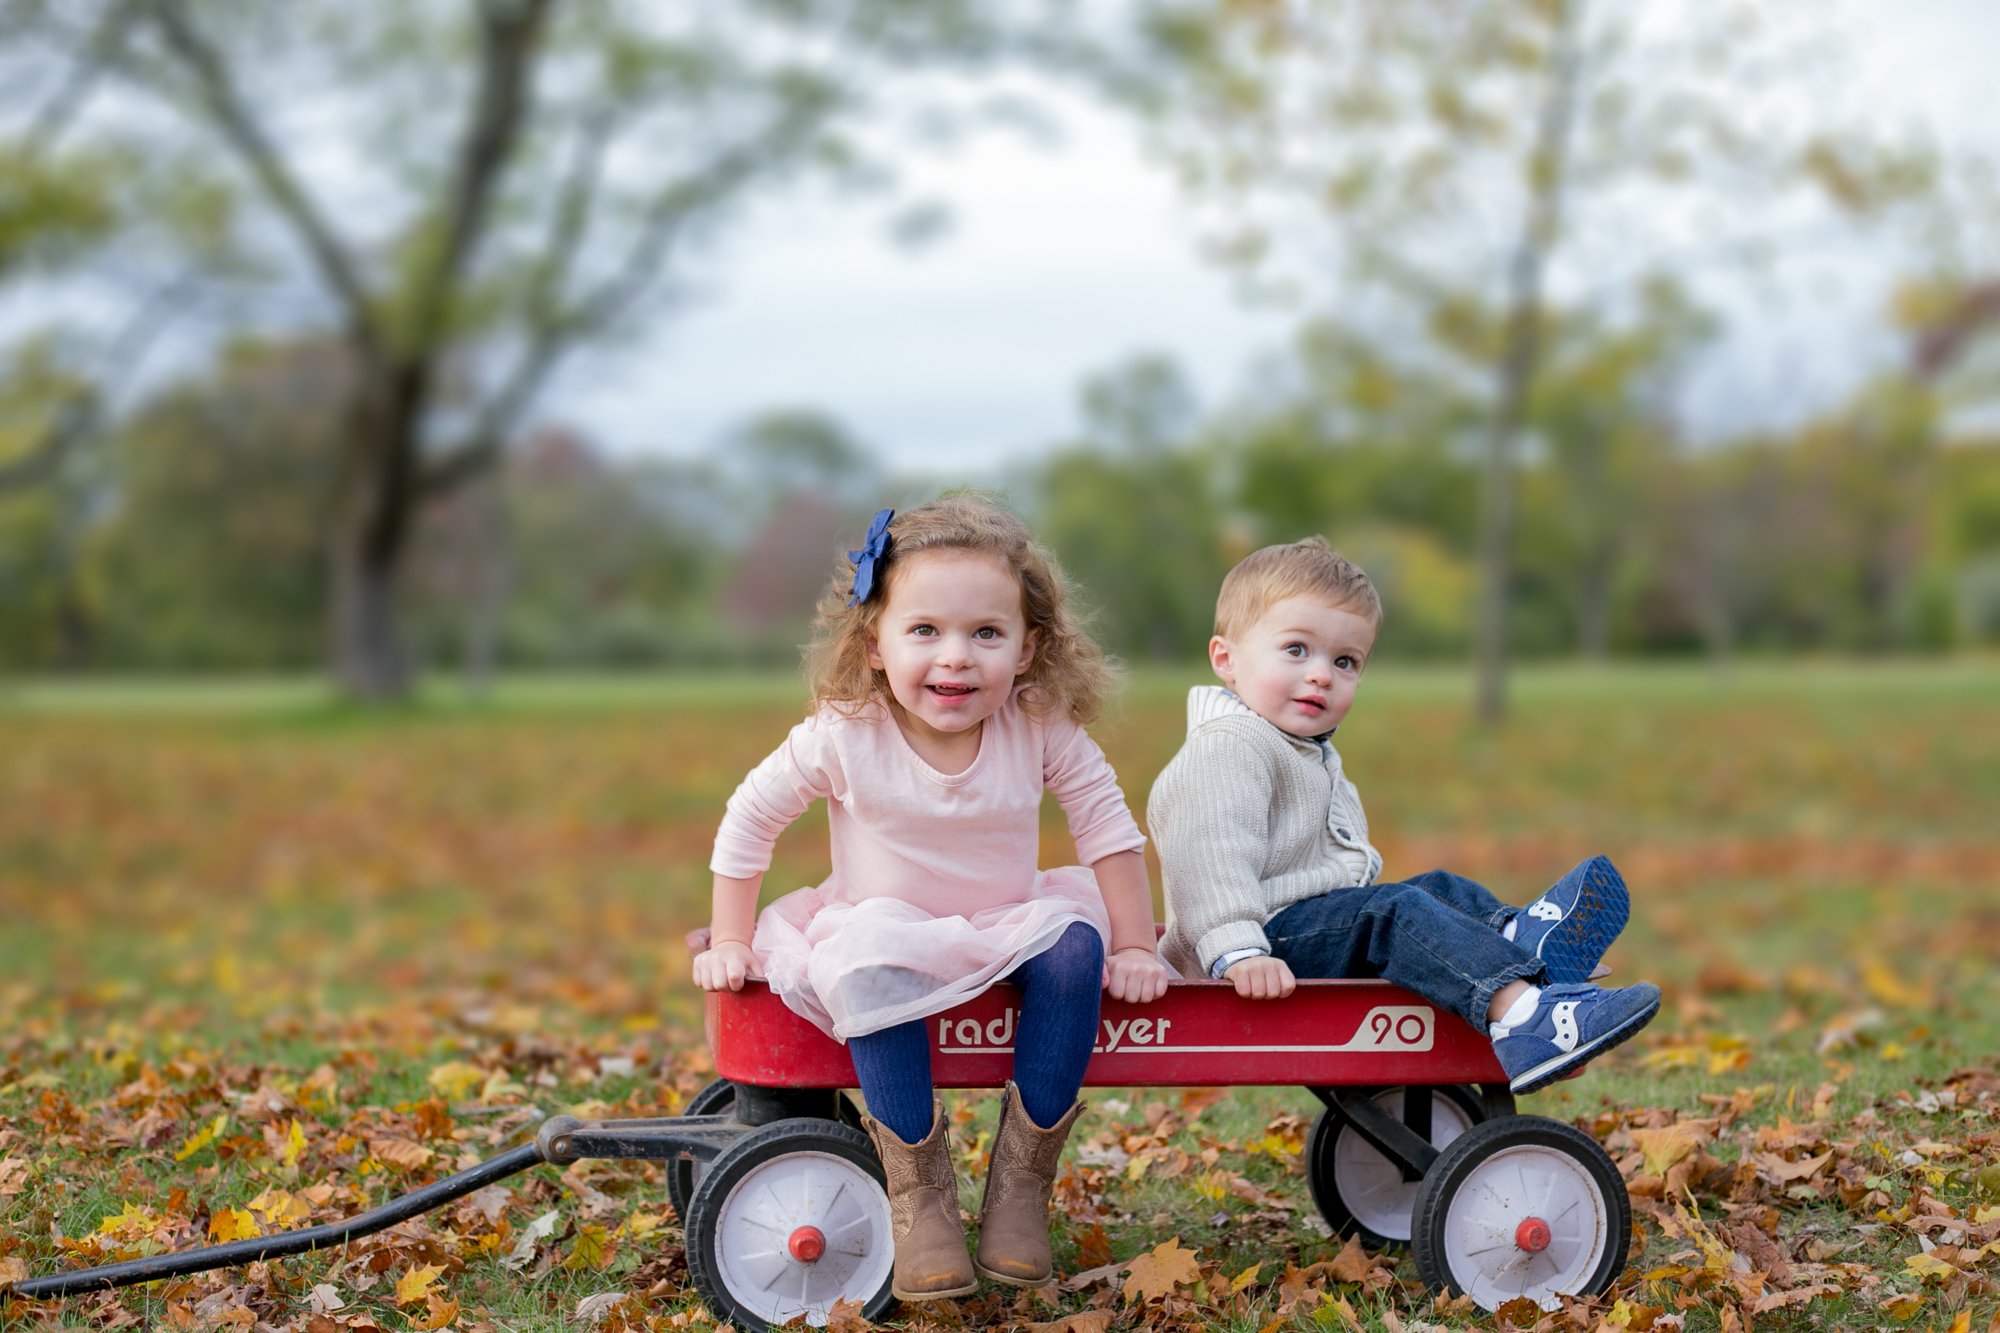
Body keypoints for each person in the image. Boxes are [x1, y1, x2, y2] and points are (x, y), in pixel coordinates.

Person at [696, 497, 1171, 1301]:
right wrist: (730, 936)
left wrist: (1132, 943)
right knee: (871, 964)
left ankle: (1021, 1187)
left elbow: (1106, 828)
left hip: (1005, 921)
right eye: (925, 631)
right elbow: (751, 817)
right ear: (874, 642)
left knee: (1075, 948)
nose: (955, 657)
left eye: (985, 632)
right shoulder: (846, 730)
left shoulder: (1038, 722)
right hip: (883, 923)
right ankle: (920, 1198)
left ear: (1028, 650)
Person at [1149, 537, 1660, 1094]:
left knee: (1435, 890)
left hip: (1296, 927)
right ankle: (1526, 1022)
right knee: (1396, 911)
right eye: (1296, 650)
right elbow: (1206, 856)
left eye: (1345, 662)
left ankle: (1520, 939)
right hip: (1257, 945)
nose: (1322, 675)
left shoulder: (1297, 745)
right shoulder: (1228, 747)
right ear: (1226, 658)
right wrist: (1236, 949)